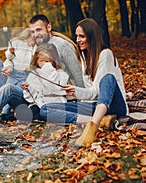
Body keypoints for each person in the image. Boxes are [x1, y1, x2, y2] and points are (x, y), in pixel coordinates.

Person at [39, 18, 129, 147]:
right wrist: (75, 91)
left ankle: (93, 126)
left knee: (108, 78)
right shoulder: (84, 56)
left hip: (114, 105)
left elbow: (99, 91)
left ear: (92, 37)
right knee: (45, 110)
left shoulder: (106, 54)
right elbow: (91, 93)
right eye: (77, 36)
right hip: (95, 106)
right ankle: (101, 121)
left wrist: (78, 92)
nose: (77, 40)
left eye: (82, 36)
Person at [0, 14, 84, 122]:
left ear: (49, 27)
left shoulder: (62, 46)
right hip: (33, 96)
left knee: (8, 88)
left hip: (52, 100)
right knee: (1, 76)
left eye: (39, 30)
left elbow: (78, 75)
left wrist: (83, 105)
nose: (35, 34)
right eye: (32, 32)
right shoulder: (38, 45)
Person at [0, 43, 69, 122]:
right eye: (41, 61)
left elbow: (56, 89)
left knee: (37, 112)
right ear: (37, 60)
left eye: (47, 61)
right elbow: (30, 99)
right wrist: (28, 88)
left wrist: (48, 69)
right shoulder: (34, 73)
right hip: (33, 105)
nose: (44, 64)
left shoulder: (61, 74)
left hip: (48, 108)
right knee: (8, 89)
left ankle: (13, 116)